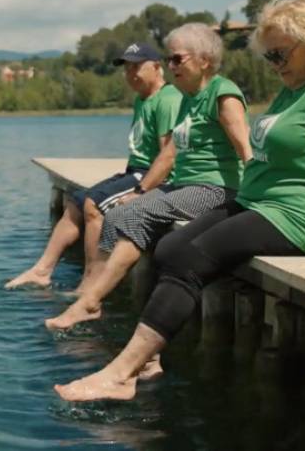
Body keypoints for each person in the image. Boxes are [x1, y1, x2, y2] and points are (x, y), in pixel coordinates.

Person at [54, 0, 305, 402]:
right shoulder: (293, 90)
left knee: (191, 260)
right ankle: (147, 358)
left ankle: (120, 374)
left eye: (281, 53)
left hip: (296, 215)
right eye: (268, 56)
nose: (274, 63)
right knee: (170, 248)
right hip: (258, 203)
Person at [45, 23, 251, 339]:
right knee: (116, 214)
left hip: (216, 188)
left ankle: (91, 301)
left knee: (137, 213)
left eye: (177, 59)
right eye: (168, 59)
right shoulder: (187, 99)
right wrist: (142, 190)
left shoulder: (223, 94)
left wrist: (255, 202)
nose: (170, 66)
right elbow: (170, 151)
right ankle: (100, 297)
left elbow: (247, 152)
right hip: (184, 185)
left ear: (205, 60)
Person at [5, 43, 182, 291]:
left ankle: (90, 283)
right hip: (135, 170)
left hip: (153, 178)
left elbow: (168, 157)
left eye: (137, 67)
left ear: (156, 67)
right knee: (76, 203)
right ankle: (41, 270)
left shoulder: (168, 99)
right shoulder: (143, 100)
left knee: (93, 206)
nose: (131, 73)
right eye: (127, 68)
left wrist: (141, 191)